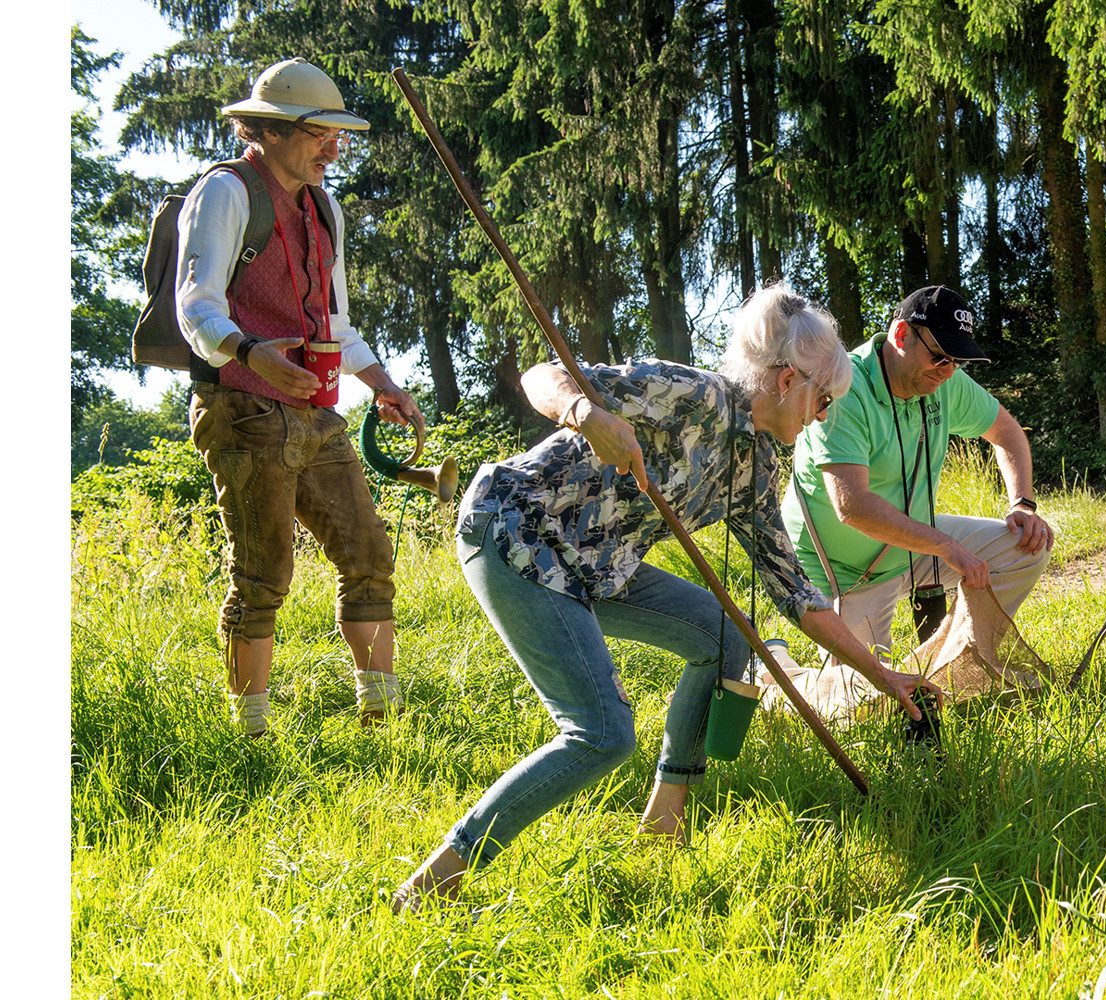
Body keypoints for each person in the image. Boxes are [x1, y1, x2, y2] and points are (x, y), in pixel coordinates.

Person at [393, 283, 938, 911]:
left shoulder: (755, 466)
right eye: (823, 400)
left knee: (726, 634)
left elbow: (796, 593)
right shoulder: (689, 394)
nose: (822, 416)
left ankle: (664, 822)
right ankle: (440, 874)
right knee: (602, 733)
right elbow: (541, 376)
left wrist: (882, 676)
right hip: (517, 532)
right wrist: (587, 415)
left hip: (599, 562)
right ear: (787, 380)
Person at [176, 58, 424, 736]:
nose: (333, 150)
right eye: (320, 134)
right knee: (263, 576)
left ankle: (381, 719)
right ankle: (250, 735)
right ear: (272, 131)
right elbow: (194, 306)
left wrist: (383, 385)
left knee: (369, 557)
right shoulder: (226, 192)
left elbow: (334, 323)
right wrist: (250, 351)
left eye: (337, 135)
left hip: (316, 414)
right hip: (242, 410)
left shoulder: (325, 208)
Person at [782, 286, 1053, 687]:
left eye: (957, 360)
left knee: (1026, 548)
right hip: (847, 569)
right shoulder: (844, 387)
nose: (948, 371)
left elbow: (1007, 432)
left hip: (913, 545)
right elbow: (853, 507)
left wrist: (1023, 504)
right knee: (863, 700)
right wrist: (947, 547)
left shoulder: (943, 381)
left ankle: (960, 659)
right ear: (901, 334)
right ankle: (774, 670)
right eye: (940, 356)